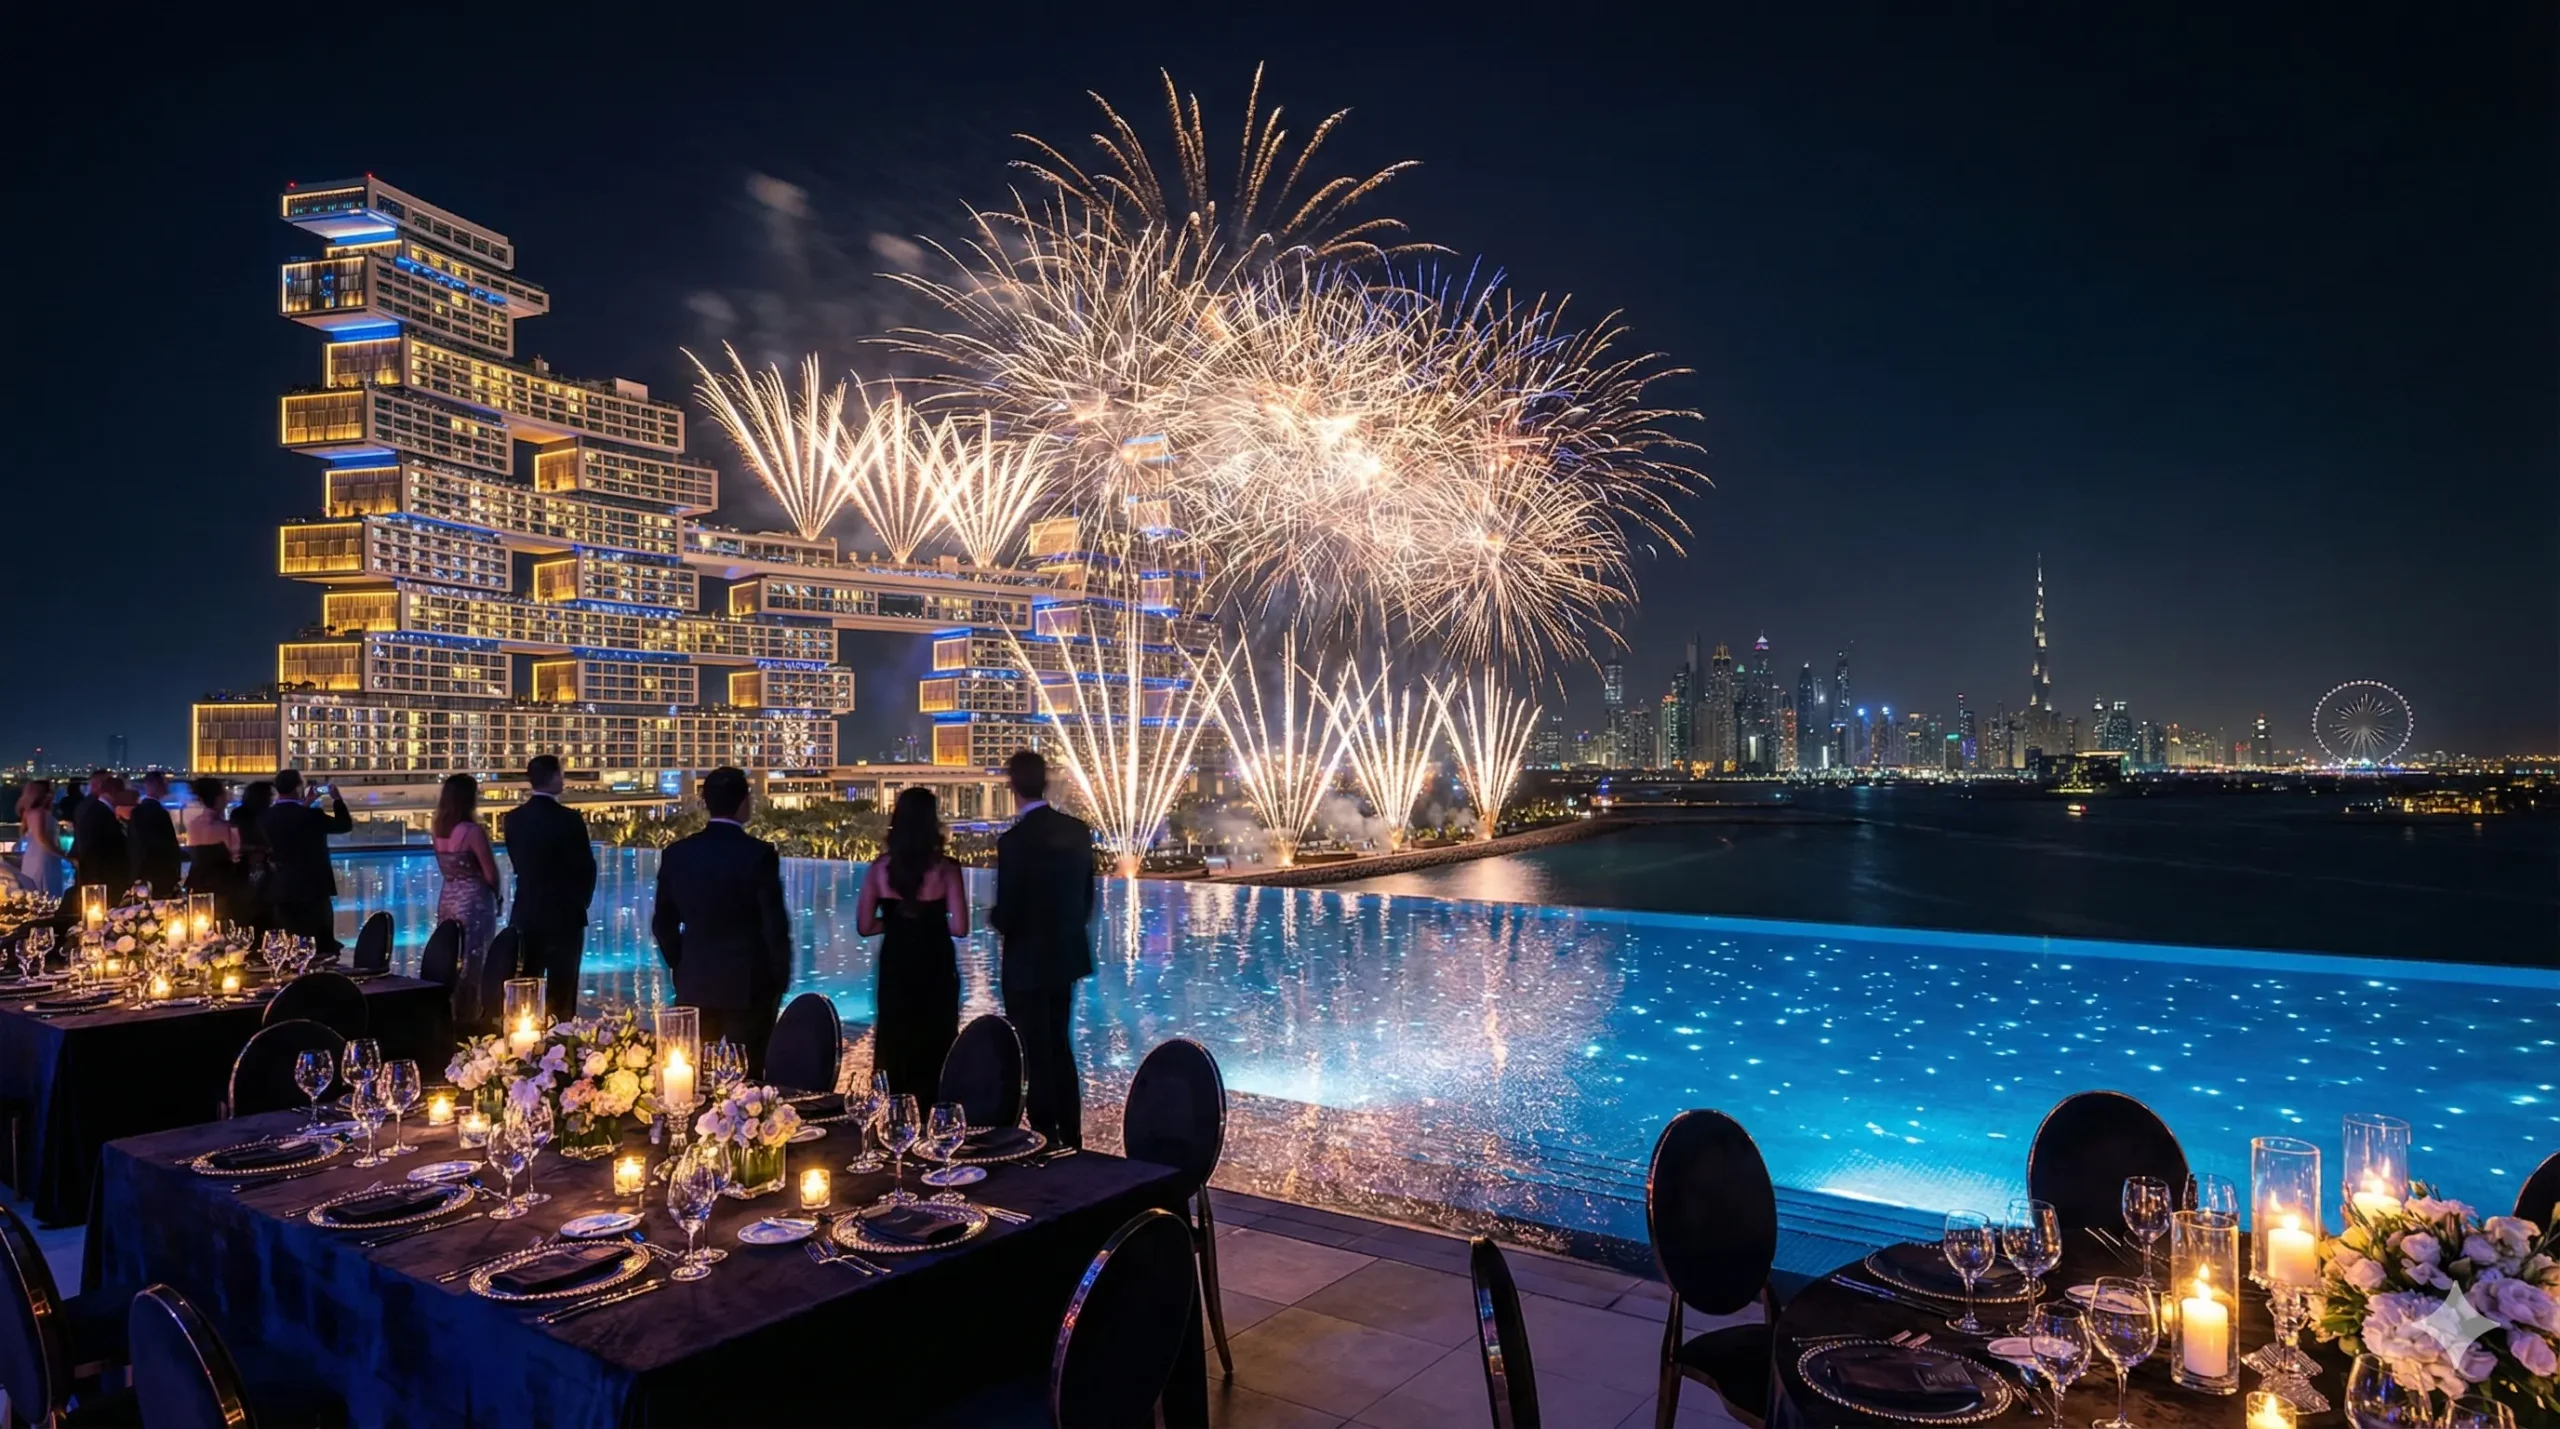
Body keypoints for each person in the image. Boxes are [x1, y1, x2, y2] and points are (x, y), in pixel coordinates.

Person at [651, 766, 791, 1074]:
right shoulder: (758, 854)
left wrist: (681, 961)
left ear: (706, 802)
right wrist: (779, 976)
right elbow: (774, 925)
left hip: (695, 980)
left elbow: (663, 923)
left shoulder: (678, 853)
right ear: (744, 802)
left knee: (693, 1072)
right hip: (749, 984)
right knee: (749, 1077)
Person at [989, 750, 1097, 1149]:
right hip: (1065, 957)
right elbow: (1087, 899)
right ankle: (1072, 1133)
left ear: (1013, 786)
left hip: (1025, 964)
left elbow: (1010, 911)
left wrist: (995, 919)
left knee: (1032, 1051)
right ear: (1045, 782)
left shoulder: (1013, 842)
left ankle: (1043, 1135)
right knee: (1060, 1045)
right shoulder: (1077, 831)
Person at [856, 787, 967, 1104]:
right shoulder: (947, 869)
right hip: (936, 966)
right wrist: (928, 924)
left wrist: (896, 924)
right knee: (937, 1040)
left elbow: (865, 926)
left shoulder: (879, 869)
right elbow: (959, 927)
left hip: (897, 965)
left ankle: (891, 1121)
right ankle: (937, 1120)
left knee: (895, 1039)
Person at [500, 755, 596, 1022]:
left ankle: (526, 1044)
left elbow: (519, 863)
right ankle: (562, 1048)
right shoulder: (569, 819)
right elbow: (586, 867)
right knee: (562, 988)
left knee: (527, 982)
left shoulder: (513, 819)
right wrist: (581, 902)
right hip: (566, 913)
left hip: (527, 911)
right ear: (555, 777)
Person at [431, 774, 502, 1020]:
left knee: (451, 955)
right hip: (473, 900)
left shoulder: (438, 829)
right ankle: (470, 1015)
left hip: (448, 897)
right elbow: (489, 871)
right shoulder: (472, 831)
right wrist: (498, 896)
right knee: (474, 957)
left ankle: (449, 1012)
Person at [260, 769, 352, 959]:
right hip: (314, 889)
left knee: (286, 943)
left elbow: (290, 818)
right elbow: (344, 825)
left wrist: (306, 802)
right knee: (319, 944)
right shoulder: (313, 816)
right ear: (299, 787)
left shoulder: (265, 817)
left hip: (280, 888)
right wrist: (336, 799)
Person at [181, 778, 244, 920]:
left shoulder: (193, 825)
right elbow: (236, 853)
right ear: (218, 798)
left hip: (196, 882)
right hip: (222, 885)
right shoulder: (226, 828)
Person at [69, 770, 132, 896]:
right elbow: (92, 848)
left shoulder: (96, 809)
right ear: (114, 792)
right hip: (102, 880)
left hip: (101, 878)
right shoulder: (97, 812)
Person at [126, 771, 183, 898]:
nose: (166, 787)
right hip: (160, 876)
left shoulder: (136, 812)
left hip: (141, 874)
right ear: (157, 786)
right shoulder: (159, 812)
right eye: (164, 784)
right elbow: (167, 847)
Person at [232, 780, 276, 935]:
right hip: (260, 867)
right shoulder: (268, 816)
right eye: (270, 795)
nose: (273, 798)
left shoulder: (238, 814)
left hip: (243, 869)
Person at [15, 781, 62, 894]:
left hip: (41, 857)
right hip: (43, 859)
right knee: (45, 891)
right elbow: (42, 838)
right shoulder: (37, 813)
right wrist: (64, 855)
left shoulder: (32, 813)